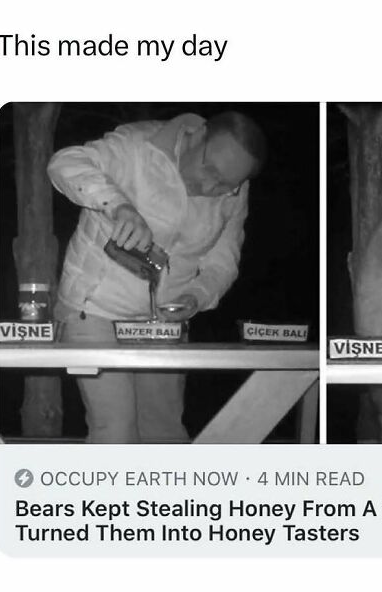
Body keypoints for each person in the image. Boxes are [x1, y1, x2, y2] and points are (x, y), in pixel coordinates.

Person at [48, 111, 267, 443]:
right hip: (93, 308)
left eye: (225, 184)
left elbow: (222, 262)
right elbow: (65, 163)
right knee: (116, 429)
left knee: (163, 431)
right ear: (196, 135)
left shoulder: (235, 192)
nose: (211, 187)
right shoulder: (138, 148)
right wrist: (120, 206)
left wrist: (195, 297)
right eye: (209, 170)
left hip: (162, 322)